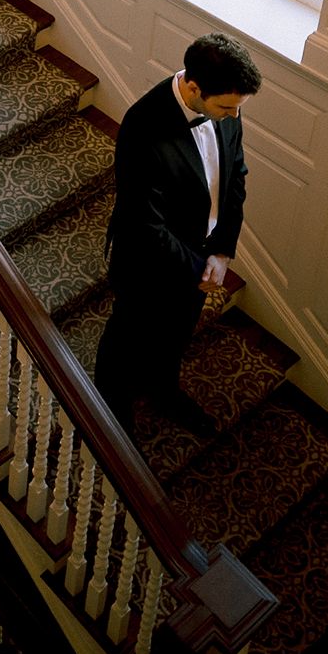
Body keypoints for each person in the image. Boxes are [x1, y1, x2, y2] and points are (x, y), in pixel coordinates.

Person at [94, 32, 262, 442]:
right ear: (192, 87)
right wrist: (198, 267)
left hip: (203, 253)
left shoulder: (227, 109)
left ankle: (163, 389)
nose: (231, 116)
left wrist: (221, 251)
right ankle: (108, 410)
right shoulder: (142, 125)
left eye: (235, 108)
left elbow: (235, 176)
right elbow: (143, 222)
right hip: (148, 258)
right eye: (225, 107)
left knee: (175, 332)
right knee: (127, 334)